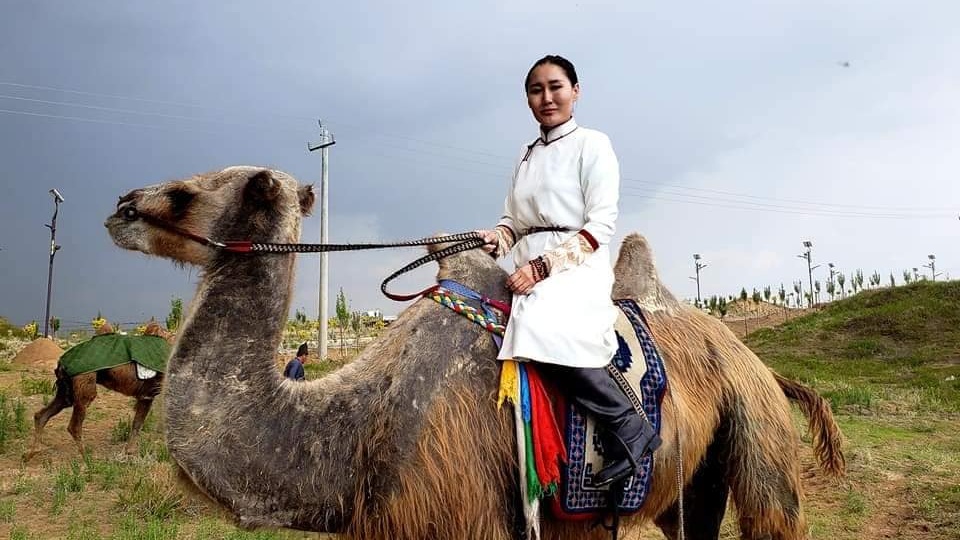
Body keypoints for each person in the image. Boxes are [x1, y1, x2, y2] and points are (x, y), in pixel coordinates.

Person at [477, 54, 660, 488]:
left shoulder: (593, 145)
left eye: (556, 86)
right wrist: (495, 239)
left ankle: (629, 426)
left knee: (543, 328)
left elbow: (600, 225)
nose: (547, 97)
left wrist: (542, 267)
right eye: (536, 89)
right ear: (528, 99)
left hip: (577, 266)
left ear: (575, 91)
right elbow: (515, 222)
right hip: (528, 265)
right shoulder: (526, 155)